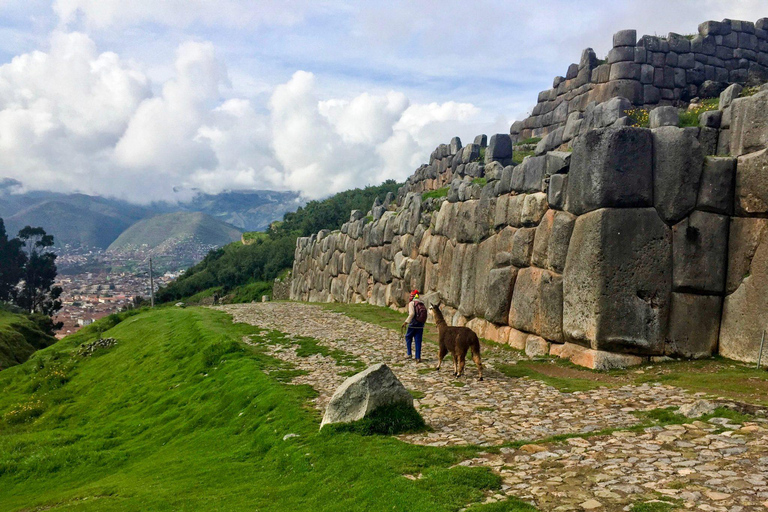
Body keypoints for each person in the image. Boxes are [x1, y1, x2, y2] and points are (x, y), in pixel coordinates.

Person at [402, 290, 427, 362]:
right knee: (418, 340)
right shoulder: (422, 303)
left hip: (413, 324)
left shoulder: (412, 303)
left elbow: (412, 314)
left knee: (408, 337)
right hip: (420, 325)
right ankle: (418, 357)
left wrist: (406, 322)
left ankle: (409, 353)